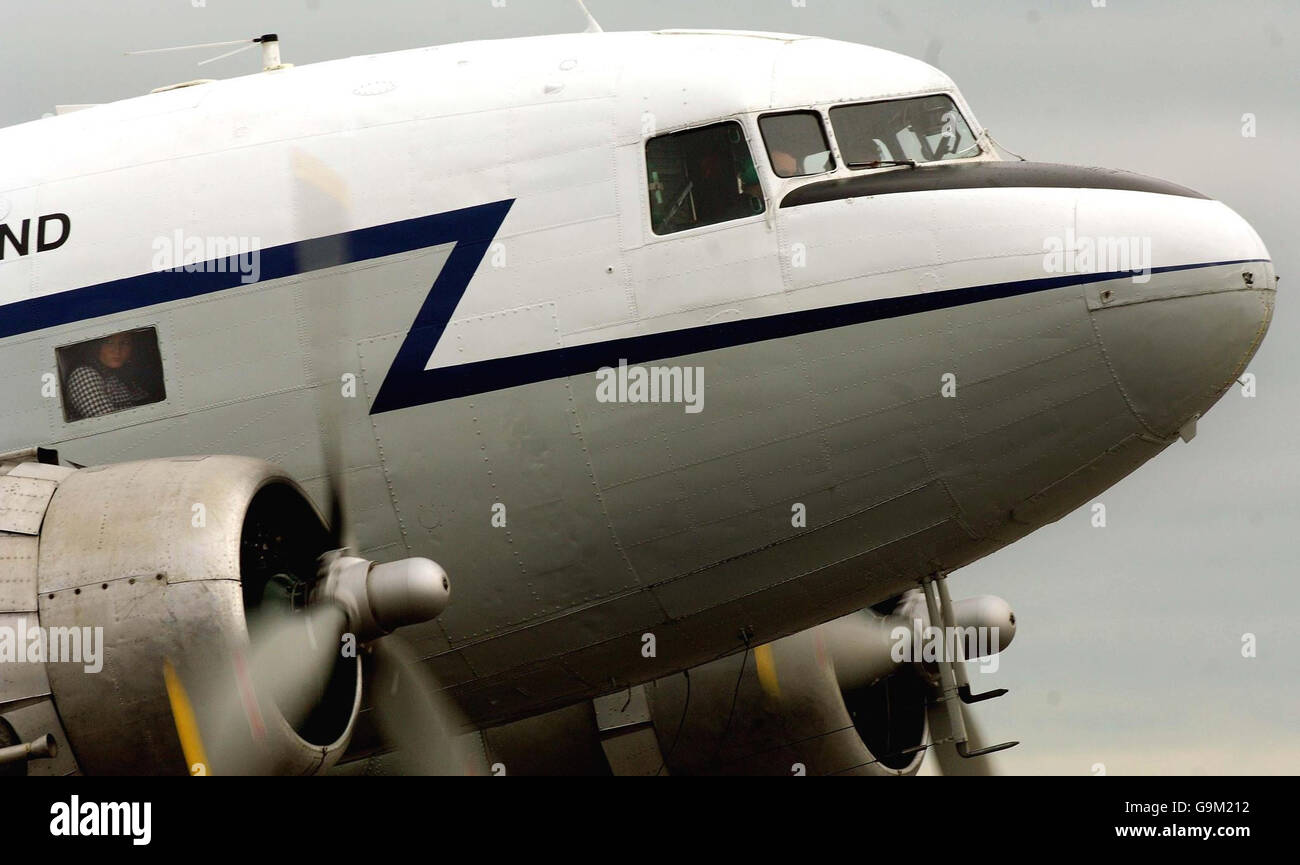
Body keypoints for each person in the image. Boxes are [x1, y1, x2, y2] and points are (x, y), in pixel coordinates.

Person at [65, 332, 150, 419]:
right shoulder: (84, 375)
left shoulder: (120, 375)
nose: (117, 350)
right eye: (109, 342)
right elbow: (109, 422)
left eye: (124, 343)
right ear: (96, 346)